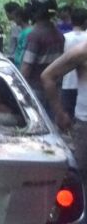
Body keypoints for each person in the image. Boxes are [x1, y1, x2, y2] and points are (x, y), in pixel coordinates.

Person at [42, 38, 87, 181]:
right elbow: (47, 76)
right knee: (82, 181)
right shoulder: (83, 50)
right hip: (85, 126)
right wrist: (60, 114)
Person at [20, 0, 64, 113]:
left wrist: (19, 86)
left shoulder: (35, 36)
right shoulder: (59, 35)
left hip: (37, 88)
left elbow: (27, 66)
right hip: (55, 88)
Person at [60, 8, 87, 119]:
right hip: (82, 84)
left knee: (68, 116)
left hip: (67, 83)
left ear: (71, 20)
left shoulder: (65, 37)